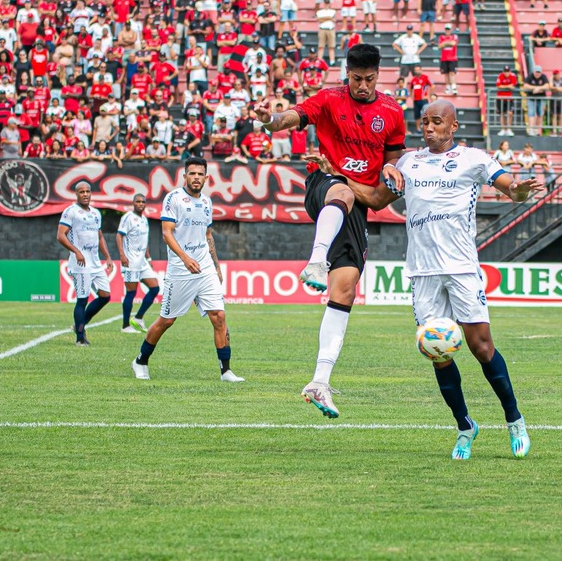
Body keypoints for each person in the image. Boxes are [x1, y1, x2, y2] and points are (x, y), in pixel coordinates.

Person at [311, 100, 539, 458]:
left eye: (437, 122)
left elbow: (510, 186)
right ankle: (465, 427)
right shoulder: (407, 163)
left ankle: (515, 420)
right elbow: (374, 198)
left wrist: (519, 191)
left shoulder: (474, 159)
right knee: (438, 353)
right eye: (424, 122)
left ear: (453, 126)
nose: (428, 128)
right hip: (422, 273)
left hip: (462, 268)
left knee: (482, 348)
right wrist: (339, 177)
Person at [252, 43, 405, 418]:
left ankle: (319, 381)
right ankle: (315, 261)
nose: (364, 86)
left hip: (358, 204)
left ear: (378, 75)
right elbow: (292, 117)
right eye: (357, 79)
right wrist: (270, 121)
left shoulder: (392, 112)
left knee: (346, 289)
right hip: (325, 183)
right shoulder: (328, 99)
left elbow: (387, 178)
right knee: (339, 187)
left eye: (370, 80)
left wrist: (394, 172)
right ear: (346, 74)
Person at [130, 158, 243, 383]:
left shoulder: (208, 202)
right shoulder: (174, 199)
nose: (196, 178)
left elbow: (208, 235)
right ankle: (140, 360)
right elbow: (166, 233)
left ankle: (226, 371)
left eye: (200, 174)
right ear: (185, 176)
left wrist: (217, 267)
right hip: (180, 270)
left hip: (205, 268)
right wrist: (185, 258)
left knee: (219, 316)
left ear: (206, 178)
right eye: (192, 174)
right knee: (167, 320)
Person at [56, 181, 112, 346]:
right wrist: (76, 251)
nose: (85, 194)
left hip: (95, 262)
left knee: (105, 296)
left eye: (88, 191)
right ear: (76, 194)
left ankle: (79, 325)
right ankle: (80, 337)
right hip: (80, 263)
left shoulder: (95, 213)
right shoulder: (70, 212)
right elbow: (60, 235)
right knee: (82, 299)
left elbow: (100, 236)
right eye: (82, 192)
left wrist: (107, 257)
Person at [116, 194, 160, 335]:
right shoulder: (128, 217)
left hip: (142, 262)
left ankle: (139, 318)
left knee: (155, 288)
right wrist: (122, 255)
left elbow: (144, 242)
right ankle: (125, 325)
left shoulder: (144, 219)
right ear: (133, 203)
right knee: (131, 292)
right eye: (138, 201)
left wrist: (149, 259)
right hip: (131, 261)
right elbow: (119, 235)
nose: (140, 204)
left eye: (143, 202)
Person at [521, 65, 551, 136]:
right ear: (534, 72)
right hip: (531, 98)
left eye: (539, 72)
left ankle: (536, 129)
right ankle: (531, 129)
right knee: (531, 113)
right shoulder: (530, 76)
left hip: (541, 99)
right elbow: (525, 86)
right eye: (536, 72)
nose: (537, 74)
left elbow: (547, 86)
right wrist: (535, 88)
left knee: (540, 113)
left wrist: (538, 89)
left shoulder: (543, 77)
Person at [495, 65, 517, 136]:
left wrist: (504, 86)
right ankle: (503, 129)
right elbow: (498, 85)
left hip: (509, 98)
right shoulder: (500, 76)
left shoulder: (513, 76)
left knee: (510, 113)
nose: (506, 73)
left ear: (510, 71)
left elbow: (513, 86)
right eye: (505, 71)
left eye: (507, 71)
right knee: (502, 114)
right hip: (500, 98)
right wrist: (508, 86)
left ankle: (508, 128)